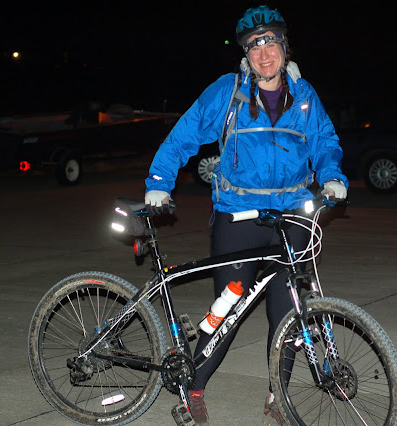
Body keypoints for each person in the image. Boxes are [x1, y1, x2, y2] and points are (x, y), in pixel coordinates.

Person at [144, 5, 348, 425]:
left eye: (270, 42)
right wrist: (159, 182)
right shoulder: (228, 91)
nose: (264, 53)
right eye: (255, 46)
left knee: (288, 314)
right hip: (238, 216)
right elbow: (183, 135)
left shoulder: (304, 95)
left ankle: (279, 398)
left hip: (292, 216)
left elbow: (325, 142)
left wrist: (332, 176)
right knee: (227, 309)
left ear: (284, 47)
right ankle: (192, 388)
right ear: (246, 54)